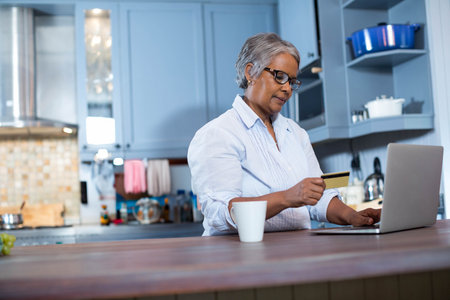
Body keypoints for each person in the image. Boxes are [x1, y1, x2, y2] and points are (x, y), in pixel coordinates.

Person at [188, 32, 380, 236]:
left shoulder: (295, 132)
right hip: (237, 255)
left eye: (292, 82)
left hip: (297, 250)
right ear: (251, 72)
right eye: (280, 77)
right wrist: (287, 197)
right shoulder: (218, 134)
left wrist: (353, 217)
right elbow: (219, 214)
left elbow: (319, 197)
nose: (288, 88)